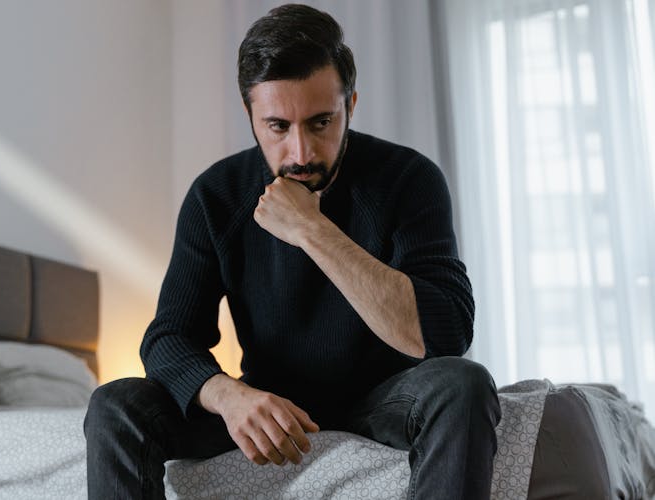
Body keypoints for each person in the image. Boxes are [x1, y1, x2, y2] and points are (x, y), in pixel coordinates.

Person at [84, 4, 501, 499]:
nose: (301, 153)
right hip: (269, 404)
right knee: (116, 403)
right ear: (250, 115)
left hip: (382, 400)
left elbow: (444, 333)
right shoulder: (215, 196)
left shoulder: (409, 179)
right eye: (278, 126)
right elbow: (168, 338)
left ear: (352, 104)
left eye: (321, 122)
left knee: (463, 383)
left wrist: (312, 230)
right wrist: (231, 397)